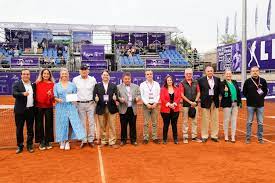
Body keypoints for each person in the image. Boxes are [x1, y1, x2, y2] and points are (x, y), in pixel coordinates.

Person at [54, 68, 85, 150]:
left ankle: (67, 141)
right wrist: (58, 100)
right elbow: (55, 96)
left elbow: (75, 95)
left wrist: (74, 99)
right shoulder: (56, 85)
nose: (64, 75)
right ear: (60, 75)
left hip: (70, 106)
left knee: (70, 124)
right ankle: (62, 140)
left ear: (68, 75)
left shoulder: (72, 85)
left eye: (66, 74)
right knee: (61, 124)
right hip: (60, 107)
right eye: (63, 74)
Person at [93, 70, 119, 148]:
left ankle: (112, 141)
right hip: (101, 108)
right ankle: (104, 141)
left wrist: (115, 98)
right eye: (104, 75)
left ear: (109, 77)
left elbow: (116, 96)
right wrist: (95, 99)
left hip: (112, 108)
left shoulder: (114, 86)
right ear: (101, 76)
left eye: (107, 75)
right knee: (102, 126)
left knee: (112, 125)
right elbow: (94, 96)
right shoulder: (97, 86)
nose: (105, 76)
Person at [72, 65, 97, 148]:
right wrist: (74, 102)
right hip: (80, 104)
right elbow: (73, 91)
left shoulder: (93, 80)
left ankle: (91, 139)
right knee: (82, 123)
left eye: (85, 69)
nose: (84, 71)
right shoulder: (75, 80)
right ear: (79, 71)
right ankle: (84, 140)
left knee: (91, 122)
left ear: (88, 71)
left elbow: (95, 91)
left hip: (90, 103)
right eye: (82, 69)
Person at [12, 69, 36, 154]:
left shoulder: (33, 85)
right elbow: (14, 94)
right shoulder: (17, 84)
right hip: (20, 111)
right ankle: (20, 146)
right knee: (19, 129)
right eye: (24, 74)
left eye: (27, 74)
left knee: (30, 129)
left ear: (30, 75)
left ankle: (29, 145)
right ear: (21, 75)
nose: (26, 75)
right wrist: (22, 94)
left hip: (30, 110)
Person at [243, 66, 268, 144]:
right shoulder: (247, 81)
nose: (255, 72)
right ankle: (248, 138)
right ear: (250, 72)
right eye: (253, 71)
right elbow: (244, 92)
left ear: (259, 71)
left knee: (260, 122)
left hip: (260, 105)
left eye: (256, 71)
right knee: (249, 122)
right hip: (250, 105)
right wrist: (250, 98)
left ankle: (260, 138)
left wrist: (260, 98)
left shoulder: (263, 81)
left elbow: (265, 92)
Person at [117, 72, 141, 146]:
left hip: (132, 108)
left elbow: (139, 95)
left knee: (133, 125)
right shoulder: (118, 87)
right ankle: (123, 140)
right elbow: (117, 96)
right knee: (123, 125)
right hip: (123, 108)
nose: (127, 80)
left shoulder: (136, 86)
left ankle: (133, 140)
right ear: (123, 79)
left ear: (131, 79)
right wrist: (121, 99)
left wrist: (138, 98)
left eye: (128, 79)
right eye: (125, 79)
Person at [198, 66, 221, 143]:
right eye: (208, 71)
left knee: (215, 120)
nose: (210, 72)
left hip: (215, 102)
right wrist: (202, 99)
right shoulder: (201, 80)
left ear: (213, 71)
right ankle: (204, 136)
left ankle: (214, 136)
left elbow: (219, 91)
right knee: (205, 120)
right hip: (205, 102)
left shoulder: (217, 79)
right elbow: (199, 91)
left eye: (211, 71)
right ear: (205, 72)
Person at [179, 68, 201, 144]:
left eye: (190, 74)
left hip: (195, 105)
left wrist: (195, 101)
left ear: (192, 74)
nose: (189, 75)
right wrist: (190, 102)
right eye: (187, 73)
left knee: (194, 121)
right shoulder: (182, 83)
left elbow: (198, 92)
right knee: (185, 121)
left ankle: (194, 137)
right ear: (185, 74)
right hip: (186, 105)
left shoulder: (196, 82)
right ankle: (185, 137)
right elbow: (182, 95)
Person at [35, 68, 55, 150]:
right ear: (42, 74)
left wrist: (50, 95)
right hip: (39, 107)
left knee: (49, 124)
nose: (46, 75)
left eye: (47, 74)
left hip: (49, 107)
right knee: (39, 124)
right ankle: (41, 141)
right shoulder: (37, 83)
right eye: (44, 73)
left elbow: (53, 98)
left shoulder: (53, 84)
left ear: (50, 75)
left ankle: (48, 141)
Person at [220, 69, 242, 143]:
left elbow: (238, 93)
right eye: (227, 74)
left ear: (231, 74)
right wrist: (226, 91)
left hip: (235, 104)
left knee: (234, 120)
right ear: (224, 75)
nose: (228, 75)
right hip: (227, 104)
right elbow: (223, 95)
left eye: (229, 73)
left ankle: (233, 136)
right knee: (226, 120)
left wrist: (240, 102)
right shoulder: (222, 83)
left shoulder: (235, 82)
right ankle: (226, 136)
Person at [140, 70, 161, 144]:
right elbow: (142, 95)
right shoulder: (142, 84)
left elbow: (158, 94)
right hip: (146, 106)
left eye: (150, 74)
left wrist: (155, 103)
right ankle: (145, 137)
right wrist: (147, 104)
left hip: (155, 105)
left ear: (152, 75)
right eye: (147, 74)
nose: (149, 75)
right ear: (145, 76)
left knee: (154, 122)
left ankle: (154, 137)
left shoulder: (157, 84)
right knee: (146, 123)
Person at [160, 75, 181, 144]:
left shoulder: (177, 88)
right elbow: (162, 98)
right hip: (165, 110)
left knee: (174, 124)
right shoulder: (163, 89)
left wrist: (174, 104)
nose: (169, 81)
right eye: (168, 80)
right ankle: (164, 139)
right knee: (166, 124)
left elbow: (179, 97)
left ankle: (175, 139)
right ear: (166, 81)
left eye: (170, 80)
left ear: (172, 81)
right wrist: (169, 104)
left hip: (175, 109)